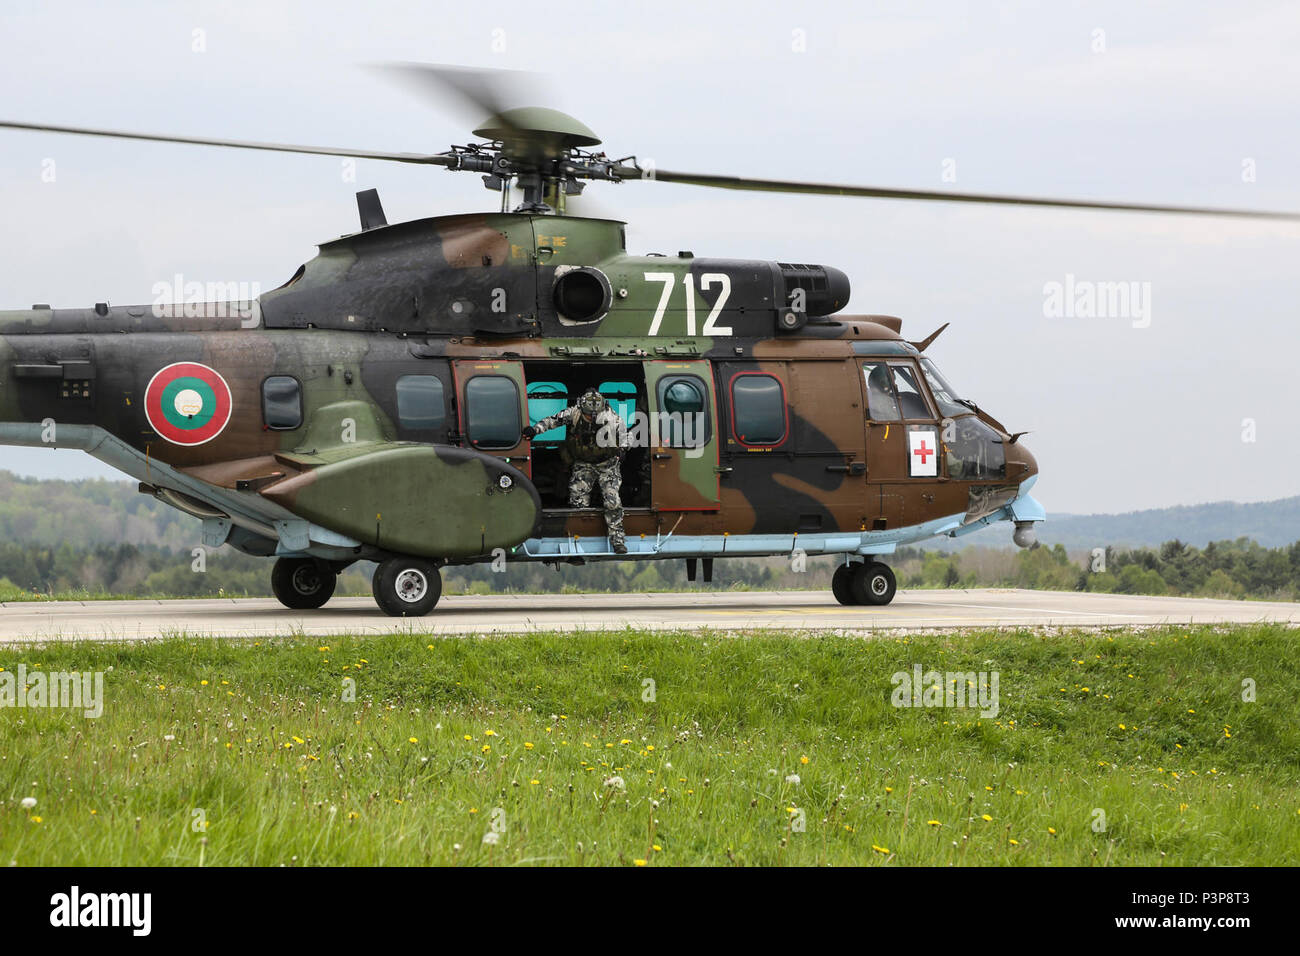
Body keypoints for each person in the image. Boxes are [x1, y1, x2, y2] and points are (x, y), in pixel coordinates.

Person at [522, 388, 629, 554]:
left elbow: (625, 436)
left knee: (612, 501)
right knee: (577, 500)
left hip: (607, 464)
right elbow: (552, 421)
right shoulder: (574, 413)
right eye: (588, 415)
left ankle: (618, 540)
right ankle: (579, 537)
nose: (591, 418)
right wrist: (535, 430)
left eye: (594, 415)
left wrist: (622, 450)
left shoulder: (612, 418)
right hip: (583, 463)